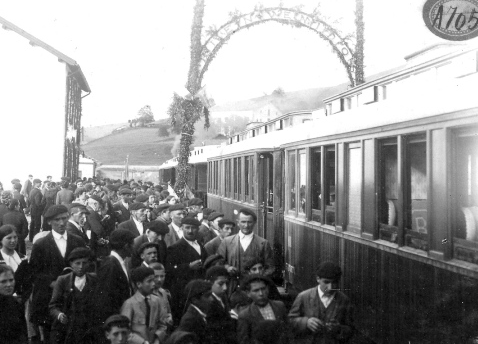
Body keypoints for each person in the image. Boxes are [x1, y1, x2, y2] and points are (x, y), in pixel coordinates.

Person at [29, 205, 86, 341]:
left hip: (74, 296)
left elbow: (86, 265)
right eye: (57, 220)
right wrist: (53, 283)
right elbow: (34, 272)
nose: (61, 223)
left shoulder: (77, 241)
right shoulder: (41, 244)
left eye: (64, 219)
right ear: (49, 222)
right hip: (50, 299)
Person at [288, 262, 354, 344]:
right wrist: (306, 322)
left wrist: (338, 329)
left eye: (334, 282)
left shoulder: (344, 300)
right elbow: (289, 321)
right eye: (326, 282)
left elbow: (350, 329)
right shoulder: (304, 296)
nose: (330, 288)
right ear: (318, 279)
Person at [49, 247, 98, 344]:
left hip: (88, 328)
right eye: (77, 263)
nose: (81, 267)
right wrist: (59, 315)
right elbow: (53, 306)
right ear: (71, 264)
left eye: (84, 263)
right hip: (68, 328)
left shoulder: (94, 279)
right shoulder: (63, 280)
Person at [166, 217, 208, 322]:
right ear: (182, 229)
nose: (190, 231)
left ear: (198, 229)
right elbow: (169, 270)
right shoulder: (175, 248)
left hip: (200, 289)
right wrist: (188, 266)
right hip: (184, 291)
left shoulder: (199, 245)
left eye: (193, 228)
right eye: (187, 228)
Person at [94, 228, 136, 323]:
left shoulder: (119, 262)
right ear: (126, 246)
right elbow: (106, 299)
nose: (134, 247)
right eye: (132, 244)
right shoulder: (110, 265)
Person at [217, 209, 275, 278]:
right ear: (238, 222)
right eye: (243, 222)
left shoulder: (263, 243)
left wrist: (259, 278)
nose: (246, 225)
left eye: (249, 222)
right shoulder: (227, 242)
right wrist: (227, 267)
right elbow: (218, 262)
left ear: (254, 223)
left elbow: (270, 267)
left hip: (254, 285)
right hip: (234, 285)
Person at [121, 266, 169, 344]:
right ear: (139, 284)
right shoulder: (129, 304)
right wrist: (142, 342)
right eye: (149, 281)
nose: (153, 284)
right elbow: (125, 330)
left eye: (154, 280)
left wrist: (157, 340)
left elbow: (162, 325)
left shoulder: (156, 301)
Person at [237, 274, 289, 344]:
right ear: (248, 293)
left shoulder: (279, 306)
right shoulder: (245, 315)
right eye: (256, 291)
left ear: (268, 289)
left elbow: (288, 332)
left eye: (263, 289)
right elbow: (244, 341)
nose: (261, 293)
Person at [174, 279, 213, 344]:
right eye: (207, 296)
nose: (211, 299)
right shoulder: (190, 320)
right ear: (194, 300)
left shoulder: (200, 314)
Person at [205, 266, 236, 344]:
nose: (225, 288)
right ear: (209, 283)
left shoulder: (223, 297)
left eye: (226, 283)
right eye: (221, 284)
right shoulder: (207, 302)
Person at [0, 225, 31, 300]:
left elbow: (28, 281)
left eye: (15, 237)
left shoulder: (23, 258)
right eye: (9, 238)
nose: (13, 240)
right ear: (1, 240)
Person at [0, 264, 28, 344]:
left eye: (11, 280)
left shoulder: (16, 303)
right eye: (3, 281)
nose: (9, 285)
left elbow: (22, 332)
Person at [150, 262, 173, 330]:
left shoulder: (163, 292)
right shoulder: (147, 295)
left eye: (162, 276)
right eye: (156, 276)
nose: (159, 279)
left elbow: (168, 311)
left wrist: (169, 317)